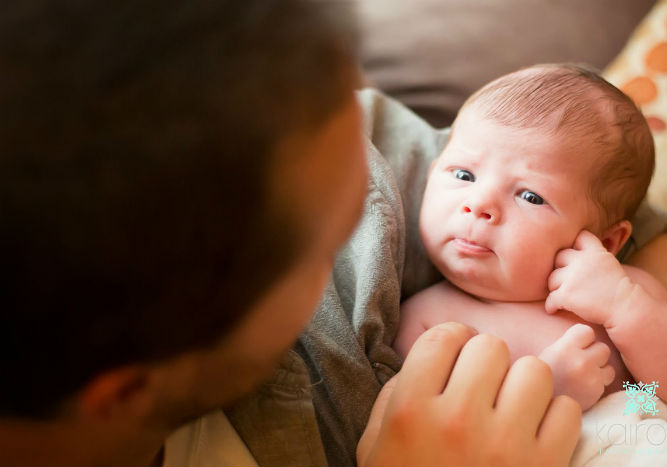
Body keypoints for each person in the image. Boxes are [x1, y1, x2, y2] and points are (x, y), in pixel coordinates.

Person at [0, 1, 585, 466]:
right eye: (333, 243)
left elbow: (591, 171)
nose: (378, 213)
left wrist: (643, 325)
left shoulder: (297, 127)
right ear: (126, 393)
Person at [394, 64, 667, 415]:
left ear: (608, 241)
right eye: (464, 175)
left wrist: (626, 308)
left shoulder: (627, 293)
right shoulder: (427, 321)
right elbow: (431, 430)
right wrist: (547, 390)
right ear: (433, 173)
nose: (478, 205)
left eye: (530, 196)